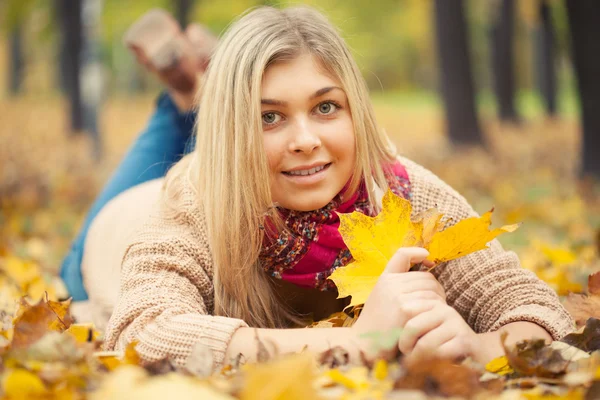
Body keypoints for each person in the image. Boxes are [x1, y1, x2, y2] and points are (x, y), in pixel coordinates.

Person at [92, 6, 573, 371]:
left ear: (355, 110)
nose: (306, 141)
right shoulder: (193, 204)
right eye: (268, 116)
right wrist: (359, 343)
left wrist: (476, 344)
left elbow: (533, 309)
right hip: (112, 236)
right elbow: (144, 334)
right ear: (236, 129)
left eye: (326, 108)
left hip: (236, 167)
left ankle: (201, 86)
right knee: (143, 175)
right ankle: (185, 96)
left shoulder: (405, 193)